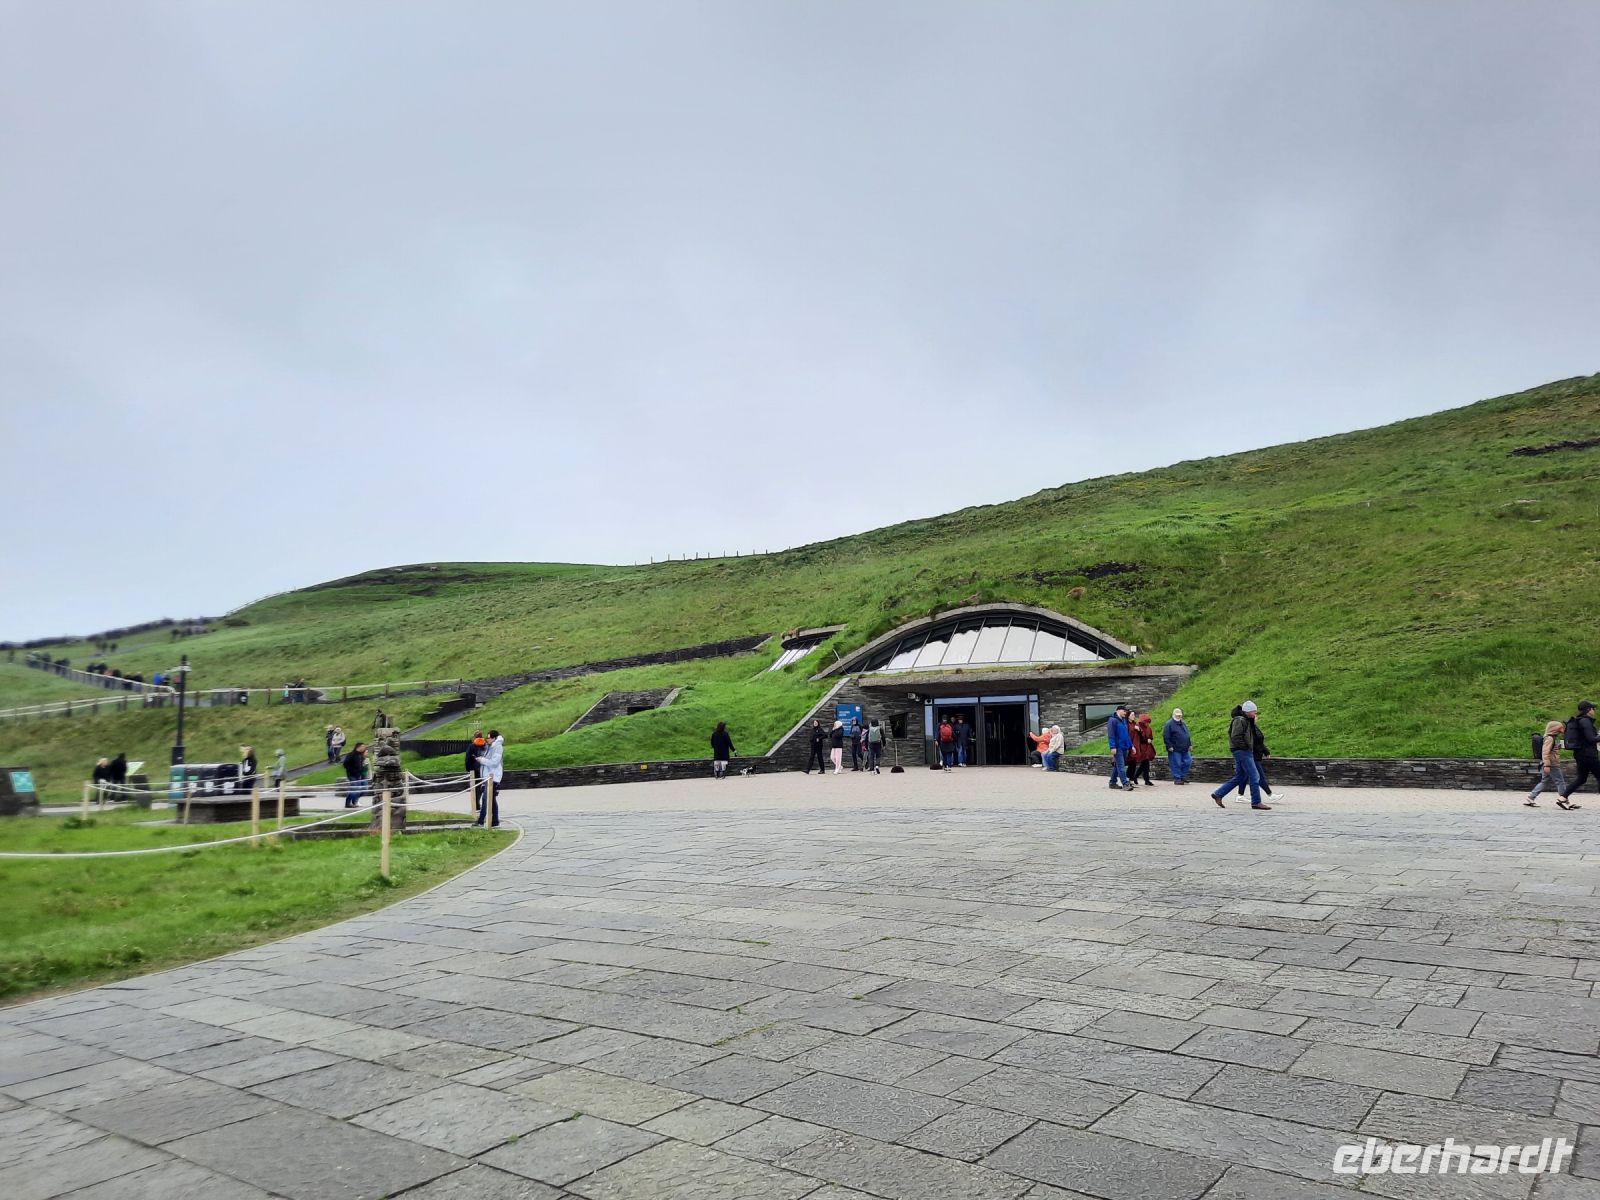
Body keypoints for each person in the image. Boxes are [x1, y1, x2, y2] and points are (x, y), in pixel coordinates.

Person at [1211, 701, 1270, 810]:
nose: (1255, 714)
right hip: (1242, 751)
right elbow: (1236, 736)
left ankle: (1219, 794)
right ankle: (1256, 802)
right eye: (1254, 712)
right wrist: (1245, 747)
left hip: (1242, 751)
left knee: (1240, 776)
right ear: (1248, 712)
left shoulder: (1245, 720)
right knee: (1254, 775)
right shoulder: (1240, 720)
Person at [1235, 707, 1287, 803]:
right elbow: (1254, 742)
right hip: (1252, 755)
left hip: (1255, 754)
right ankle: (1270, 795)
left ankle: (1240, 795)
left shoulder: (1254, 727)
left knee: (1245, 776)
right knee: (1259, 776)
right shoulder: (1250, 729)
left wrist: (1266, 751)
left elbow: (1259, 742)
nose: (1256, 716)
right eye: (1254, 715)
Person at [1560, 701, 1600, 807]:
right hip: (1588, 755)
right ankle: (1563, 797)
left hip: (1580, 754)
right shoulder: (1585, 721)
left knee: (1581, 779)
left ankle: (1563, 797)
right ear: (1588, 710)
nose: (1594, 710)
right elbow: (1591, 739)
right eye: (1592, 708)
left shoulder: (1580, 721)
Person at [1528, 720, 1573, 808]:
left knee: (1544, 781)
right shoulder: (1549, 738)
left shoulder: (1550, 738)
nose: (1562, 729)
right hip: (1552, 764)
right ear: (1555, 728)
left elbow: (1549, 750)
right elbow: (1545, 752)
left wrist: (1557, 747)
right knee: (1560, 781)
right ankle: (1564, 800)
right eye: (1560, 727)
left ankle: (1530, 797)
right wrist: (1547, 765)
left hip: (1549, 763)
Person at [477, 730, 504, 826]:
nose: (487, 739)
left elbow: (494, 762)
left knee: (486, 799)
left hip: (493, 777)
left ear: (494, 738)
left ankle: (480, 821)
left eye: (488, 737)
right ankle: (495, 821)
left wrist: (482, 760)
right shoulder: (491, 746)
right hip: (489, 777)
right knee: (491, 800)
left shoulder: (497, 747)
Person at [1162, 708, 1193, 785]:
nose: (1178, 717)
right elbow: (1166, 736)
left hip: (1185, 747)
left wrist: (1189, 744)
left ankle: (1182, 776)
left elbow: (1187, 735)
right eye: (1177, 715)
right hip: (1174, 748)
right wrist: (1169, 746)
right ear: (1173, 715)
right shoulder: (1169, 724)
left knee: (1188, 761)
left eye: (1180, 715)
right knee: (1176, 763)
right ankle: (1177, 778)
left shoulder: (1183, 723)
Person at [1105, 705, 1132, 790]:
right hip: (1118, 747)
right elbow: (1111, 735)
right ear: (1119, 711)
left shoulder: (1124, 721)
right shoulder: (1112, 720)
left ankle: (1112, 782)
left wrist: (1131, 746)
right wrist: (1112, 747)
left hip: (1125, 747)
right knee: (1121, 766)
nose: (1125, 713)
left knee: (1118, 765)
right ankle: (1125, 784)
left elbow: (1127, 735)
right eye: (1124, 711)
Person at [1129, 713, 1156, 786]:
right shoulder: (1138, 727)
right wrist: (1147, 740)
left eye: (1148, 722)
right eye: (1146, 722)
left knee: (1145, 764)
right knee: (1144, 764)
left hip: (1146, 748)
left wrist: (1149, 739)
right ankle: (1143, 779)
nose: (1147, 723)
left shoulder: (1148, 728)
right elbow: (1138, 738)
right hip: (1141, 748)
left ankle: (1140, 778)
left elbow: (1150, 736)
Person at [465, 730, 487, 817]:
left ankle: (476, 804)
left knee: (475, 787)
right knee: (483, 785)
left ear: (474, 737)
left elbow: (468, 759)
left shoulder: (472, 746)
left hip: (474, 770)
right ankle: (481, 803)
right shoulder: (486, 745)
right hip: (484, 769)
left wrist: (468, 769)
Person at [343, 742, 368, 808]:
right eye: (363, 747)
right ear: (358, 747)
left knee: (358, 789)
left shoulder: (360, 756)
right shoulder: (351, 754)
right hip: (352, 775)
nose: (364, 748)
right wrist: (352, 770)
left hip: (358, 775)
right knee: (355, 789)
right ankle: (348, 803)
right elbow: (345, 764)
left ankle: (354, 802)